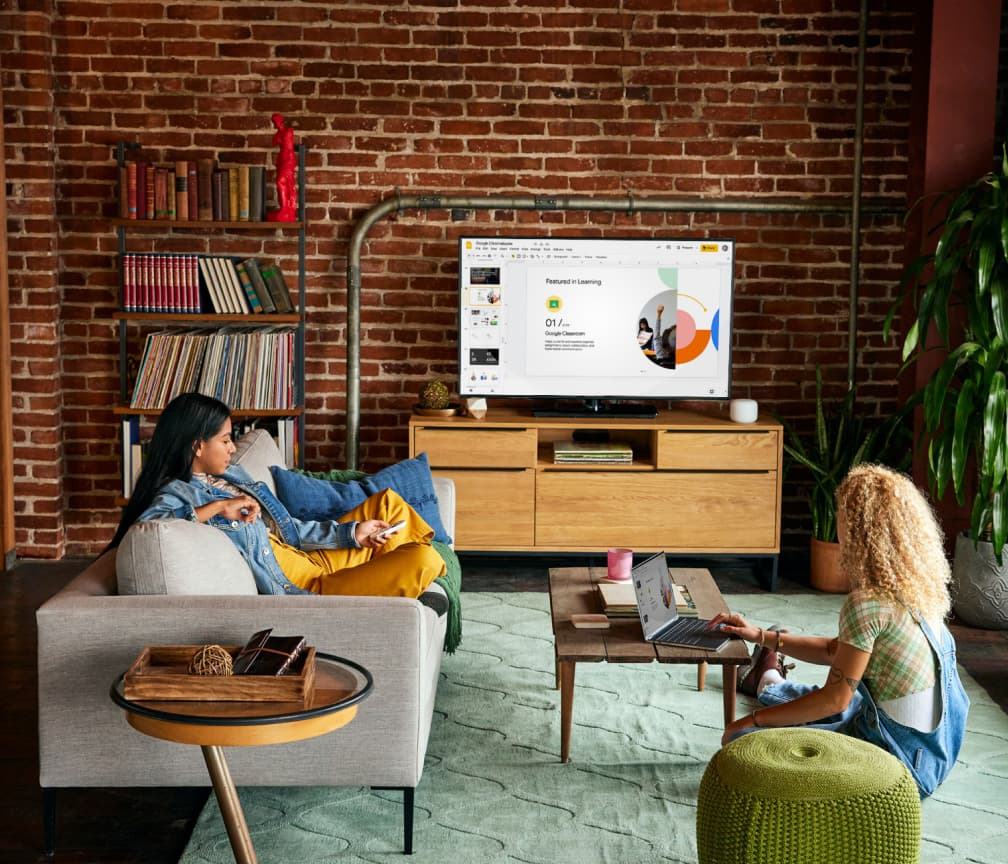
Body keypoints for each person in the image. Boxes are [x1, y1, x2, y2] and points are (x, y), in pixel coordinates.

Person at [709, 464, 970, 798]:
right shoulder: (920, 592)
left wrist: (753, 721)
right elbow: (837, 651)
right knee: (834, 703)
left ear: (859, 530)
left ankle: (766, 680)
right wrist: (760, 634)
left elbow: (834, 698)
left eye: (841, 515)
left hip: (893, 767)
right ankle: (766, 676)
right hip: (932, 760)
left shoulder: (867, 604)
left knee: (744, 746)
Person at [107, 392, 445, 598]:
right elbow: (147, 528)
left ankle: (387, 572)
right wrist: (218, 507)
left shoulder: (230, 474)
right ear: (197, 446)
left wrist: (349, 533)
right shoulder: (177, 492)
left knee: (387, 504)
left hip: (310, 556)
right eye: (225, 439)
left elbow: (290, 530)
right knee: (425, 559)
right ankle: (399, 574)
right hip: (307, 585)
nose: (231, 446)